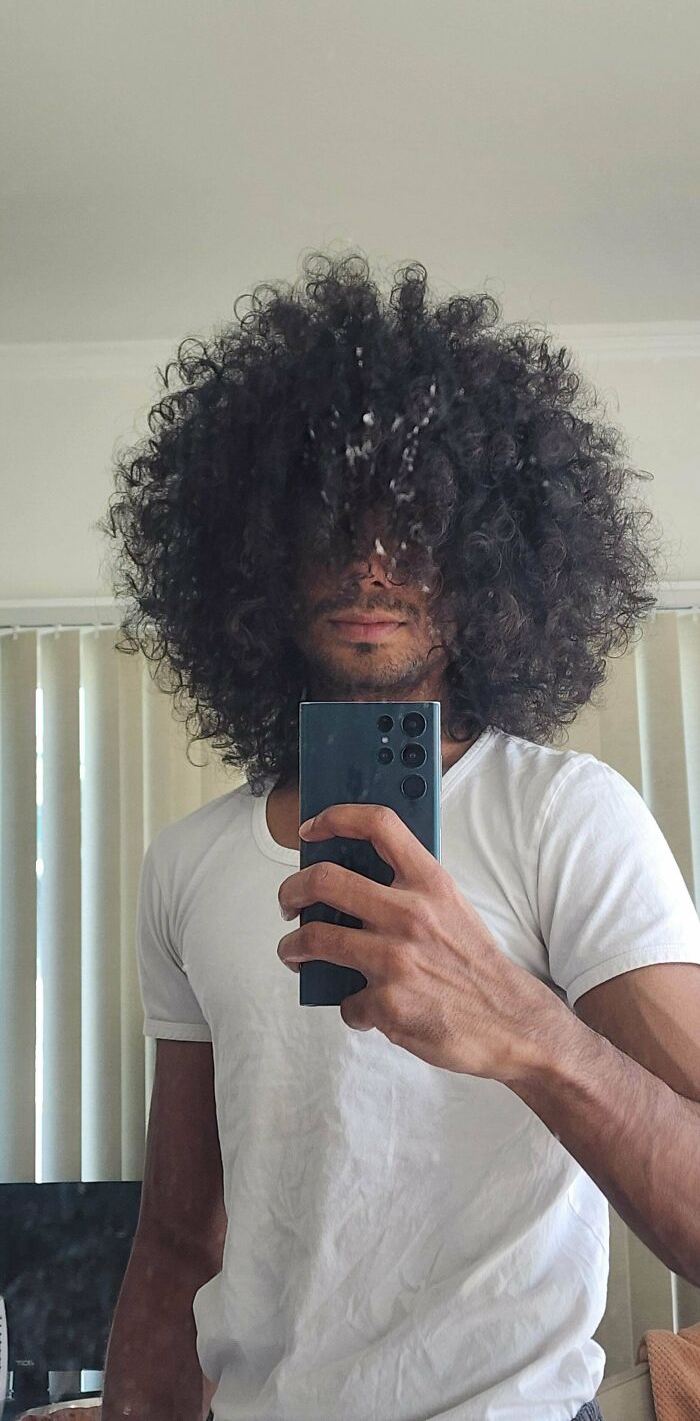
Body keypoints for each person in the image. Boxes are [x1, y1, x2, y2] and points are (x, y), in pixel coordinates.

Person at [90, 251, 700, 1421]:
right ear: (255, 554)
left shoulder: (567, 815)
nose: (373, 560)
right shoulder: (188, 864)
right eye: (332, 521)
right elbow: (174, 1239)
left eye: (416, 525)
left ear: (488, 559)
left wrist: (529, 1030)